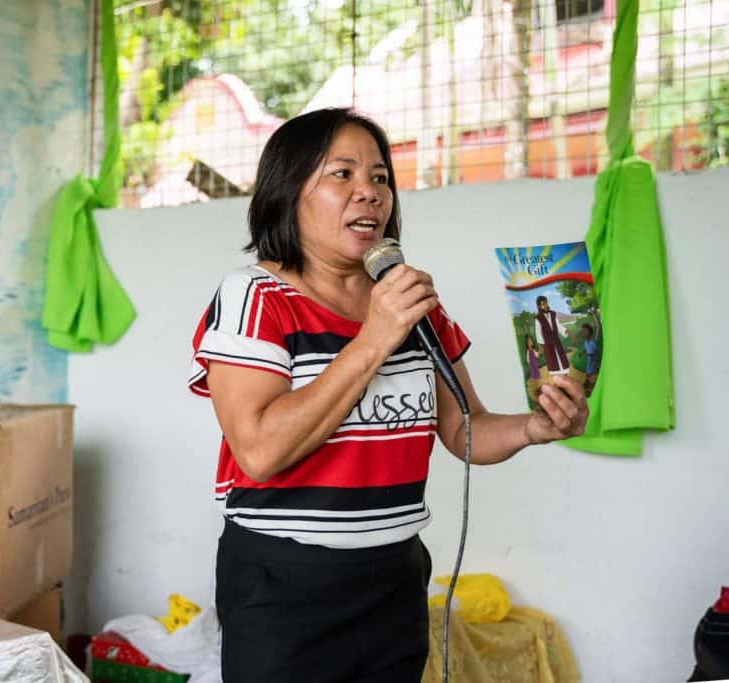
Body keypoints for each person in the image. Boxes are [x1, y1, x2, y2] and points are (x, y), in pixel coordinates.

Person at [187, 108, 588, 683]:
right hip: (283, 585)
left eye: (380, 178)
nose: (370, 194)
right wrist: (374, 338)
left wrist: (534, 427)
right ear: (288, 190)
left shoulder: (410, 299)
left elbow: (464, 429)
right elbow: (258, 450)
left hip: (394, 578)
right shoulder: (257, 297)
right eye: (342, 174)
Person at [534, 295, 571, 375]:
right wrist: (542, 346)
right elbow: (538, 333)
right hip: (548, 344)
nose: (546, 305)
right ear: (539, 306)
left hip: (556, 341)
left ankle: (565, 375)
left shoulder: (553, 314)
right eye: (543, 304)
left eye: (546, 303)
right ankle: (557, 380)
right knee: (552, 362)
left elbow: (558, 326)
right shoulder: (538, 318)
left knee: (562, 359)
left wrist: (566, 331)